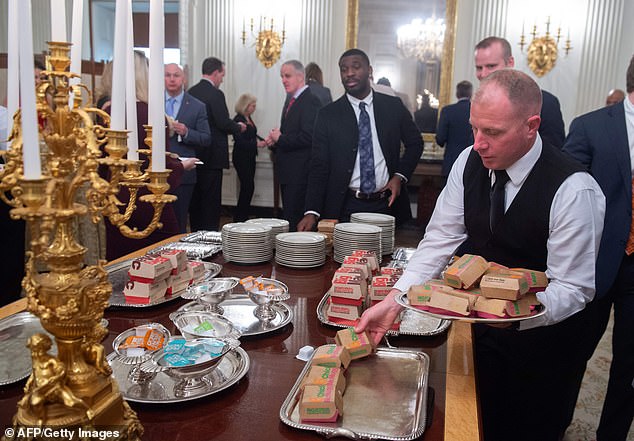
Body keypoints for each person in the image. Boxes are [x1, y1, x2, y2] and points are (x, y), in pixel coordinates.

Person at [356, 69, 606, 441]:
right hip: (482, 336)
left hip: (545, 348)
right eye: (475, 128)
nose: (478, 143)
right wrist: (396, 300)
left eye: (492, 132)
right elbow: (439, 240)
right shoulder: (467, 162)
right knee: (478, 422)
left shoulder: (574, 189)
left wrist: (512, 313)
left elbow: (574, 287)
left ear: (531, 125)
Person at [563, 55, 634, 441]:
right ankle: (555, 425)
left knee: (630, 364)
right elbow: (567, 197)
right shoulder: (590, 127)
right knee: (574, 355)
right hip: (593, 262)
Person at [297, 49, 423, 231]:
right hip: (345, 206)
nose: (349, 73)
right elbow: (319, 166)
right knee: (345, 258)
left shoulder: (393, 107)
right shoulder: (327, 115)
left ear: (370, 70)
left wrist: (399, 176)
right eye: (343, 69)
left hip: (386, 204)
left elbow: (415, 143)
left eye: (356, 67)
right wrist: (311, 211)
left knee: (384, 258)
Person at [103, 52, 194, 260]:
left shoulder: (106, 113)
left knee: (121, 263)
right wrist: (182, 166)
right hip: (149, 201)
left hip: (114, 201)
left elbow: (100, 165)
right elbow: (160, 167)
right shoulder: (151, 114)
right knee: (164, 261)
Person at [474, 36, 566, 149]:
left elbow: (553, 153)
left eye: (491, 66)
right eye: (479, 68)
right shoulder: (475, 104)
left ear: (510, 62)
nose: (483, 74)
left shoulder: (546, 103)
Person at [188, 57, 246, 232]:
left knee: (195, 202)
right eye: (222, 75)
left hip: (193, 155)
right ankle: (210, 238)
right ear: (215, 73)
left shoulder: (190, 92)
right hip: (212, 157)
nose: (222, 79)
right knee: (211, 203)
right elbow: (222, 122)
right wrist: (239, 127)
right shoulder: (216, 94)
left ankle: (195, 235)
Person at [266, 60, 321, 231]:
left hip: (300, 175)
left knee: (297, 222)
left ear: (300, 76)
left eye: (287, 76)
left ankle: (298, 256)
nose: (283, 80)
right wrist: (275, 141)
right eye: (282, 76)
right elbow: (291, 135)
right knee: (290, 218)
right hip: (289, 173)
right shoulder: (292, 100)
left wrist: (281, 139)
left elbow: (308, 137)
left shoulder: (310, 100)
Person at [164, 63, 211, 233]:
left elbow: (206, 138)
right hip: (156, 170)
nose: (171, 79)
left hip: (183, 174)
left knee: (178, 222)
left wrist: (186, 132)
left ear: (183, 79)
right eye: (167, 75)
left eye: (176, 75)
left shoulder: (197, 106)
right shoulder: (151, 102)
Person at [232, 93, 266, 222]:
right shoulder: (237, 120)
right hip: (241, 157)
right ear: (245, 105)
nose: (255, 107)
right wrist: (256, 144)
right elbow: (239, 141)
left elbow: (252, 134)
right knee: (247, 186)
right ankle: (240, 217)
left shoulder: (248, 118)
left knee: (248, 187)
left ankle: (243, 215)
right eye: (253, 105)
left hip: (250, 156)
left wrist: (264, 140)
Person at [436, 80, 474, 180]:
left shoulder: (447, 111)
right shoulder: (476, 110)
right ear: (471, 94)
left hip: (451, 161)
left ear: (457, 94)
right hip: (472, 162)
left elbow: (440, 139)